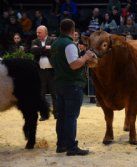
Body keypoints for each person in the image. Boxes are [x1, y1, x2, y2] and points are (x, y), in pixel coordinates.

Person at [51, 19, 94, 156]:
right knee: (70, 117)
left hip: (60, 84)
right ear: (72, 30)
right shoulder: (69, 44)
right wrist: (86, 57)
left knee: (62, 116)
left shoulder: (55, 43)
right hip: (72, 85)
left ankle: (61, 145)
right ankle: (71, 147)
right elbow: (74, 64)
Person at [30, 25, 57, 120]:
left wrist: (40, 50)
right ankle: (44, 114)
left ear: (45, 32)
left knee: (55, 93)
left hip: (52, 71)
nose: (37, 34)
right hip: (40, 72)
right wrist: (45, 48)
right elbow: (33, 50)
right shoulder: (34, 41)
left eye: (39, 32)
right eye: (37, 32)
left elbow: (54, 51)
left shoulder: (53, 40)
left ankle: (56, 113)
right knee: (41, 94)